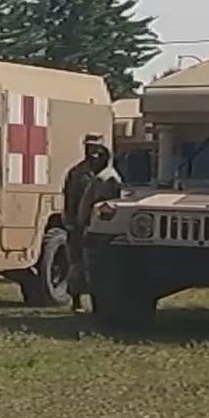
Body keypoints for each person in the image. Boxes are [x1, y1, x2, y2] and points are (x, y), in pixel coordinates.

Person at [62, 133, 122, 310]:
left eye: (97, 148)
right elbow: (69, 197)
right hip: (79, 224)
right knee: (76, 263)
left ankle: (100, 303)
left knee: (100, 265)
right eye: (89, 147)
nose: (93, 151)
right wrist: (70, 221)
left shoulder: (110, 175)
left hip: (102, 225)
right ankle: (76, 301)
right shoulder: (77, 172)